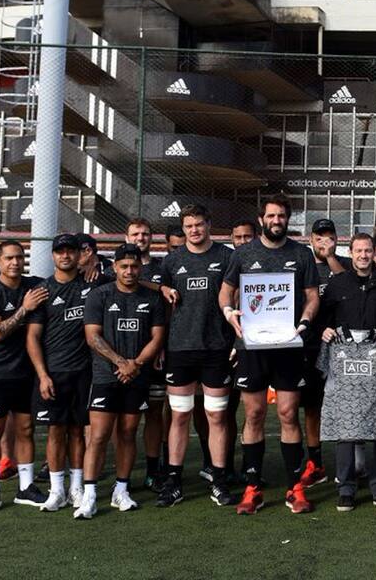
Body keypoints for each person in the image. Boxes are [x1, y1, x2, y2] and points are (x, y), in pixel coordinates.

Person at [220, 194, 319, 515]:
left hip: (288, 345)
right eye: (272, 216)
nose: (277, 221)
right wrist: (230, 312)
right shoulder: (244, 254)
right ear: (262, 218)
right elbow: (226, 291)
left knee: (289, 414)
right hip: (253, 346)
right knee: (254, 415)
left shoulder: (301, 254)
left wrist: (304, 323)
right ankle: (253, 488)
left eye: (282, 217)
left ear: (288, 219)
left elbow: (312, 297)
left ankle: (294, 487)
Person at [318, 232, 376, 512]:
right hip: (345, 363)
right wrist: (324, 329)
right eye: (358, 251)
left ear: (374, 253)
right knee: (346, 423)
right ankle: (346, 488)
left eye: (367, 251)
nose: (362, 256)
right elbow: (322, 317)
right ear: (351, 253)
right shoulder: (337, 284)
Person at [74, 244, 167, 519]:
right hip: (106, 375)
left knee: (128, 433)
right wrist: (120, 362)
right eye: (124, 266)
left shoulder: (152, 299)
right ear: (114, 267)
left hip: (137, 376)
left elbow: (157, 337)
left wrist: (135, 364)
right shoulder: (99, 295)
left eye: (134, 266)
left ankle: (121, 490)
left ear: (141, 268)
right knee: (99, 436)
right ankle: (89, 495)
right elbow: (92, 336)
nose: (129, 271)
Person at [156, 204, 237, 508]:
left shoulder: (227, 257)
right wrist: (163, 288)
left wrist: (237, 341)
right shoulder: (172, 261)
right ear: (183, 228)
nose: (194, 230)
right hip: (180, 349)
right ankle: (174, 481)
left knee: (216, 416)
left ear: (209, 224)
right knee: (180, 415)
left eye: (199, 225)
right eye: (189, 226)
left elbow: (239, 297)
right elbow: (161, 298)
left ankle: (219, 479)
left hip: (216, 348)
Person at [26, 234, 105, 511]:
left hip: (85, 372)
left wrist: (160, 289)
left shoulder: (92, 283)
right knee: (55, 431)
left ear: (78, 254)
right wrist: (43, 375)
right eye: (60, 251)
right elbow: (32, 338)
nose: (65, 256)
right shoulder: (42, 291)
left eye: (70, 251)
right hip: (54, 373)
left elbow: (126, 280)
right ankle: (56, 490)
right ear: (53, 256)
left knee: (78, 431)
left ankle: (76, 488)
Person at [0, 240, 49, 513]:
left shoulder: (36, 285)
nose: (15, 262)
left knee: (26, 430)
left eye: (19, 257)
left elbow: (64, 279)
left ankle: (26, 488)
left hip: (27, 373)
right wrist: (24, 309)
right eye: (8, 258)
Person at [304, 219, 352, 488]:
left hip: (343, 346)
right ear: (310, 239)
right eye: (319, 237)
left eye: (329, 237)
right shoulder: (303, 263)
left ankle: (350, 464)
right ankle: (316, 462)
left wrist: (331, 256)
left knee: (344, 404)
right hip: (311, 343)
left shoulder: (344, 263)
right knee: (312, 406)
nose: (324, 242)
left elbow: (347, 286)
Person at [123, 218, 167, 490]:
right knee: (122, 418)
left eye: (145, 234)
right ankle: (122, 472)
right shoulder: (110, 268)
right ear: (127, 237)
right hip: (121, 357)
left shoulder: (163, 268)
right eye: (135, 234)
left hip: (154, 353)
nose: (140, 238)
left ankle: (153, 469)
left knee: (154, 412)